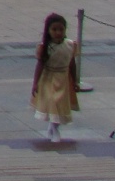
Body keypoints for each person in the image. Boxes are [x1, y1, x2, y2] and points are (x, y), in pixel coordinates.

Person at [30, 12, 79, 142]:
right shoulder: (45, 47)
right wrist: (35, 83)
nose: (58, 32)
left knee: (59, 104)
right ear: (48, 31)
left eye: (61, 29)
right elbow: (39, 65)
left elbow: (72, 63)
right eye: (54, 29)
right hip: (48, 78)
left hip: (63, 78)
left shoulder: (70, 45)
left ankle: (53, 127)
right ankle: (54, 129)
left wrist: (75, 80)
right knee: (52, 102)